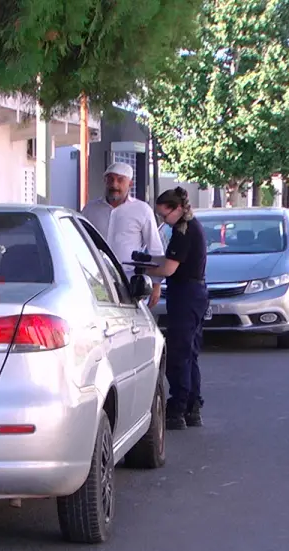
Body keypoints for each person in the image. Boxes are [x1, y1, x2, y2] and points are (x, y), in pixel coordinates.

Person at [144, 187, 209, 430]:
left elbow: (169, 269)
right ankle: (192, 406)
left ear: (178, 209)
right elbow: (172, 261)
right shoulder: (190, 227)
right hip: (194, 293)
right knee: (190, 352)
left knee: (179, 353)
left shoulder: (184, 232)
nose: (164, 220)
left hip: (186, 294)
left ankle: (178, 406)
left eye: (164, 215)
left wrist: (142, 270)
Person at [82, 162, 164, 308]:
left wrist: (156, 285)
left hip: (128, 281)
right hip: (95, 279)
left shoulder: (142, 210)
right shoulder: (90, 209)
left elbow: (155, 249)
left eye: (120, 180)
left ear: (130, 183)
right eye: (110, 179)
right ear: (105, 181)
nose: (114, 185)